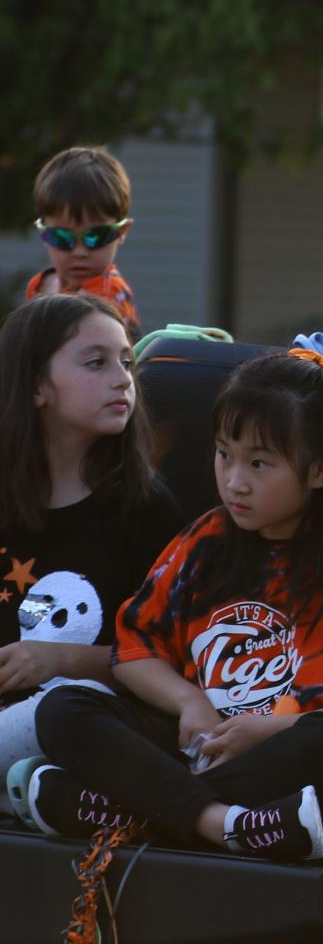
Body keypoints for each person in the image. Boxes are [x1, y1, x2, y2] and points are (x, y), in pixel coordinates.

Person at [17, 349, 323, 861]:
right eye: (225, 454)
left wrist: (271, 729)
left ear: (319, 471)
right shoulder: (205, 539)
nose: (234, 480)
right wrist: (189, 702)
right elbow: (133, 653)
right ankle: (221, 823)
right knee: (65, 707)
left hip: (294, 769)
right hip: (203, 755)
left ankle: (142, 811)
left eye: (260, 464)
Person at [0, 295, 182, 767]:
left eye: (127, 363)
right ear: (37, 384)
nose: (122, 379)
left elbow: (175, 659)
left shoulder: (146, 509)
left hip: (85, 723)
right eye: (97, 363)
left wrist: (59, 661)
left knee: (60, 709)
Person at [25, 147, 141, 341]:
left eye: (95, 236)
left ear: (121, 232)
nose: (79, 252)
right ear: (43, 232)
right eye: (62, 237)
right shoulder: (39, 286)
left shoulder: (108, 296)